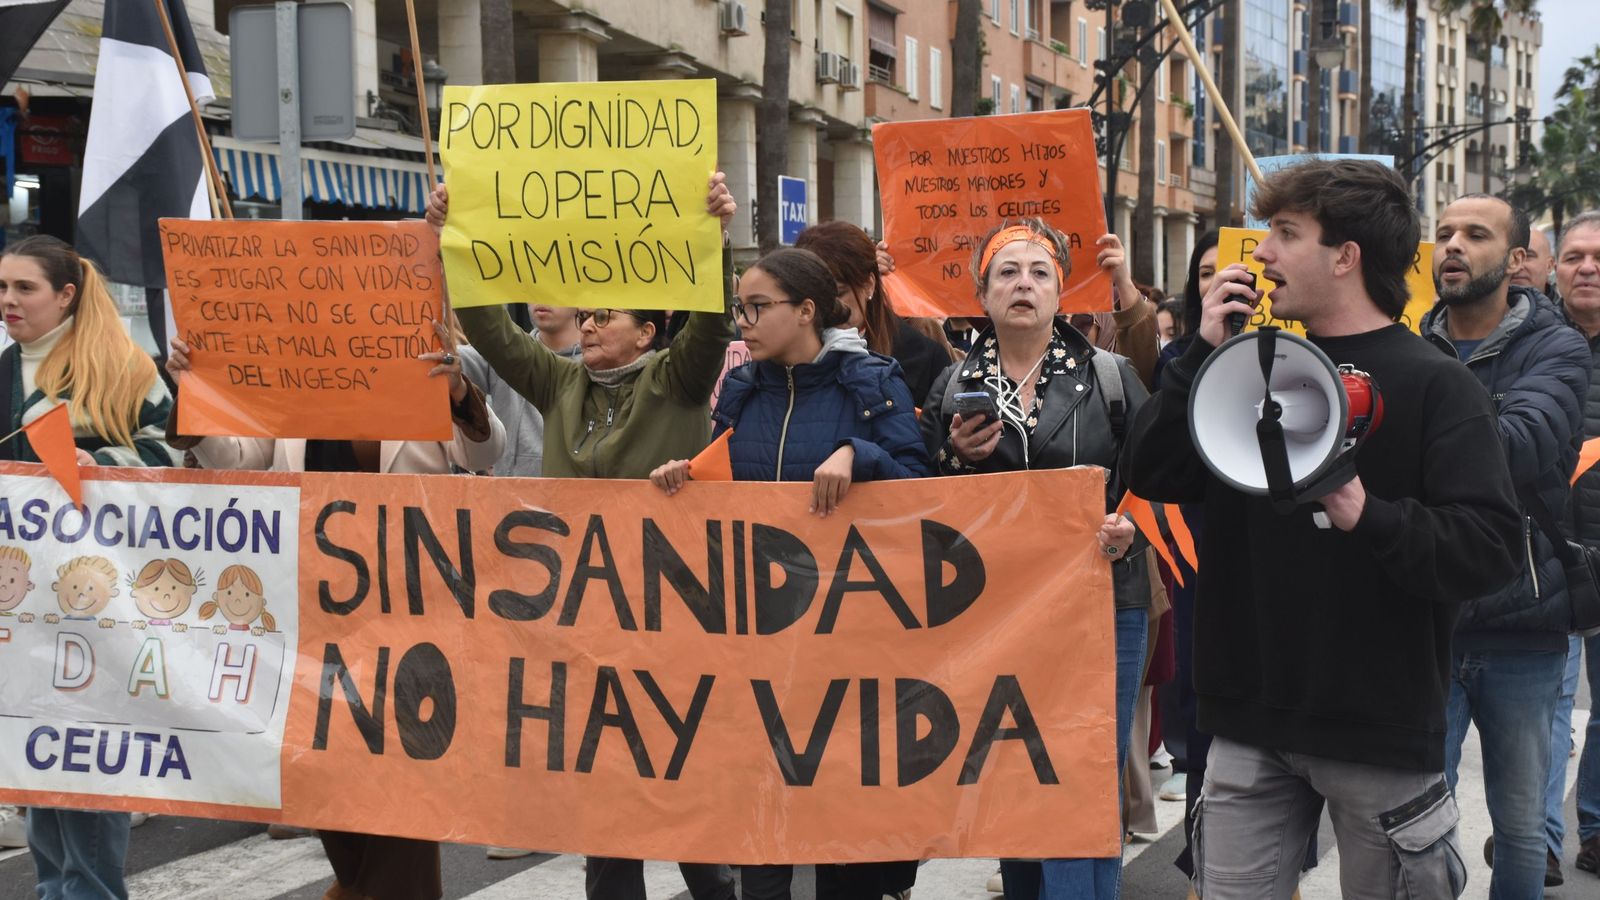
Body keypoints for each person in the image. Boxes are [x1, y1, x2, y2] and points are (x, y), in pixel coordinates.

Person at [1122, 159, 1525, 900]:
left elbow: (1490, 548)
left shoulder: (1440, 385)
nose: (1261, 253)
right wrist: (1199, 357)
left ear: (1346, 256)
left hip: (1378, 730)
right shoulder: (1246, 363)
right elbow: (1151, 473)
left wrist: (1368, 515)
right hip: (1248, 719)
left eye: (1284, 233)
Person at [427, 175, 740, 900]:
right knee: (605, 794)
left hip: (667, 614)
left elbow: (710, 323)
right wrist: (455, 237)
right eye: (587, 317)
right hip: (584, 620)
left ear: (648, 332)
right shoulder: (559, 385)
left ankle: (715, 886)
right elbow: (492, 331)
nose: (590, 326)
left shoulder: (677, 382)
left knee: (676, 780)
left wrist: (711, 237)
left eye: (607, 315)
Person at [166, 317, 505, 900]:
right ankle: (358, 888)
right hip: (313, 610)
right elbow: (241, 457)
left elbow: (487, 448)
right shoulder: (296, 377)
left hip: (407, 611)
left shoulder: (426, 364)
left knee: (399, 786)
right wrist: (194, 392)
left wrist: (455, 393)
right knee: (326, 775)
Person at [650, 247, 929, 899]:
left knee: (841, 823)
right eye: (739, 309)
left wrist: (857, 454)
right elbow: (726, 474)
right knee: (761, 820)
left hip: (846, 647)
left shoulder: (871, 382)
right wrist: (685, 476)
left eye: (757, 307)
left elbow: (917, 483)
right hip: (759, 649)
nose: (743, 322)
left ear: (805, 311)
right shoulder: (745, 391)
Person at [917, 219, 1150, 900]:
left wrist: (1126, 526)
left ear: (1061, 290)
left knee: (1080, 780)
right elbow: (925, 506)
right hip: (996, 610)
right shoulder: (951, 385)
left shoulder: (1110, 377)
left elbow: (1155, 483)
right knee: (1013, 776)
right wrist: (955, 458)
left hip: (1102, 603)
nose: (1024, 284)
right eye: (1009, 273)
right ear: (982, 294)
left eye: (1040, 272)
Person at [0, 234, 182, 900]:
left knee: (86, 758)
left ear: (65, 294)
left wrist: (82, 469)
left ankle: (90, 893)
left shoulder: (125, 367)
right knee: (33, 754)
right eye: (2, 288)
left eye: (25, 288)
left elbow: (169, 464)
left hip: (98, 604)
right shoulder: (1, 369)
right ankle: (56, 890)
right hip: (16, 607)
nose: (9, 301)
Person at [1421, 195, 1590, 899]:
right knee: (1413, 820)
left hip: (1523, 622)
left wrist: (1413, 427)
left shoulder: (1558, 347)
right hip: (1424, 622)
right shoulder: (1408, 346)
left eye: (1476, 235)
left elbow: (1521, 445)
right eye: (1444, 234)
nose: (1453, 246)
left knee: (1522, 829)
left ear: (1518, 261)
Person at [1551, 210, 1600, 881]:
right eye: (1576, 256)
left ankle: (1597, 827)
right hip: (1545, 558)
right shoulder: (1524, 340)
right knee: (1545, 712)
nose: (1588, 267)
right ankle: (1535, 838)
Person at [793, 220, 953, 407]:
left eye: (839, 293)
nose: (827, 308)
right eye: (812, 298)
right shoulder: (784, 356)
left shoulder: (922, 355)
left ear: (869, 284)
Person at [459, 303, 582, 481]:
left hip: (567, 501)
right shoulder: (503, 351)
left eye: (553, 286)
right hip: (504, 502)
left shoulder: (599, 361)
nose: (541, 297)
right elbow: (445, 362)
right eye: (532, 283)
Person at [1512, 226, 1557, 298]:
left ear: (1549, 266)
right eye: (1513, 257)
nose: (1518, 265)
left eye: (1528, 256)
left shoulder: (1570, 308)